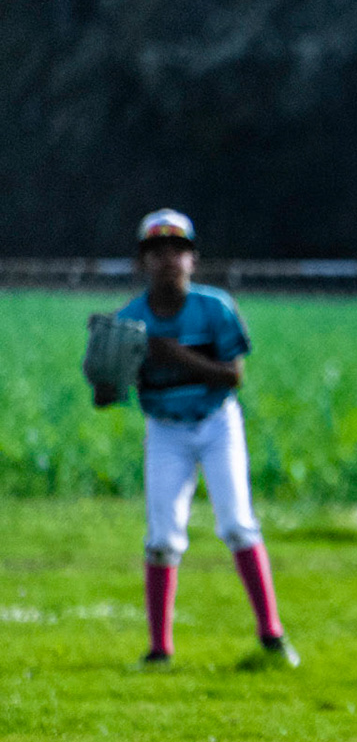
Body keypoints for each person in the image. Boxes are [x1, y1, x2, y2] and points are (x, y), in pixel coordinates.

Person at [101, 209, 297, 669]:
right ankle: (159, 649)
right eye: (156, 252)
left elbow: (233, 376)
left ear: (193, 259)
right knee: (163, 537)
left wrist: (177, 356)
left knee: (236, 523)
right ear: (142, 262)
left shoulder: (214, 309)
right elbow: (111, 393)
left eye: (177, 250)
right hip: (166, 427)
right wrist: (104, 378)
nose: (167, 259)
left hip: (216, 423)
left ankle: (271, 634)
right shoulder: (130, 320)